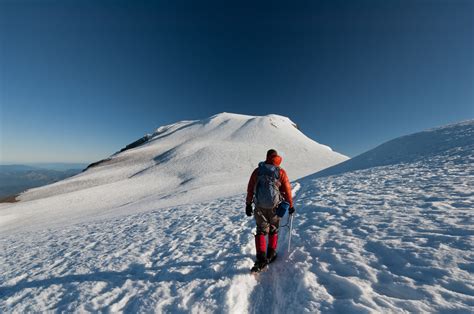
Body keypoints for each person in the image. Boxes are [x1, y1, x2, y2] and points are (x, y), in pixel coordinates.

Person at [246, 149, 295, 272]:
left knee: (261, 230)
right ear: (276, 157)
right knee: (273, 228)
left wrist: (248, 204)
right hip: (275, 206)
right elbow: (288, 190)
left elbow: (250, 188)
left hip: (259, 206)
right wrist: (290, 205)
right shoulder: (280, 172)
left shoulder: (258, 171)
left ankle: (261, 258)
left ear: (267, 157)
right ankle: (271, 253)